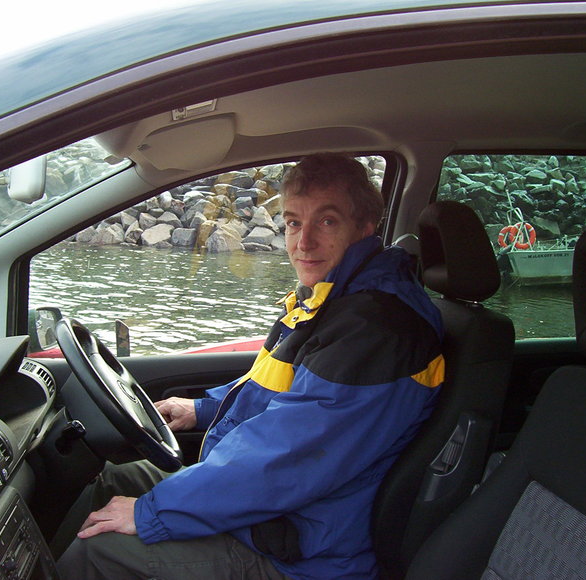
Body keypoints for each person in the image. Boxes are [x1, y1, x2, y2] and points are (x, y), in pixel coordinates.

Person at [56, 152, 445, 579]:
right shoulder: (340, 301)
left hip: (303, 550)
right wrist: (201, 409)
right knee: (112, 483)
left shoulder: (377, 329)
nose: (303, 242)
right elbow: (276, 387)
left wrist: (153, 513)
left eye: (327, 221)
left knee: (100, 552)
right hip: (285, 513)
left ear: (365, 228)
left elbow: (288, 457)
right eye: (295, 222)